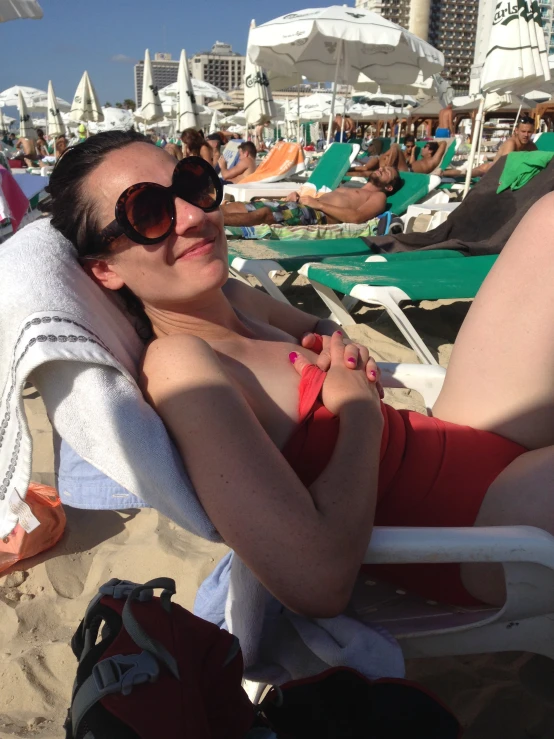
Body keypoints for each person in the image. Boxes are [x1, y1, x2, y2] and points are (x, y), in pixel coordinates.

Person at [46, 130, 554, 617]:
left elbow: (321, 323)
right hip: (471, 525)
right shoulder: (182, 365)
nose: (194, 216)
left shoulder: (232, 297)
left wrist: (343, 348)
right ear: (104, 270)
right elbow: (317, 582)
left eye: (192, 185)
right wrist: (359, 414)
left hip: (456, 435)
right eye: (148, 213)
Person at [222, 166, 401, 227]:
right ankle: (206, 212)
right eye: (384, 167)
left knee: (263, 214)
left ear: (389, 186)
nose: (382, 168)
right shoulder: (353, 186)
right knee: (236, 206)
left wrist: (318, 205)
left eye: (387, 172)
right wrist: (298, 198)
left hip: (317, 215)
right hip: (303, 206)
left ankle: (211, 220)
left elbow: (356, 218)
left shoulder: (378, 197)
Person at [444, 115, 538, 179]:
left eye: (529, 132)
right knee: (465, 173)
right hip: (491, 170)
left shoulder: (531, 146)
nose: (526, 135)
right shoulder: (511, 143)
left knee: (466, 172)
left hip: (495, 168)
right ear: (516, 131)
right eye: (523, 131)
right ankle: (441, 174)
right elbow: (505, 165)